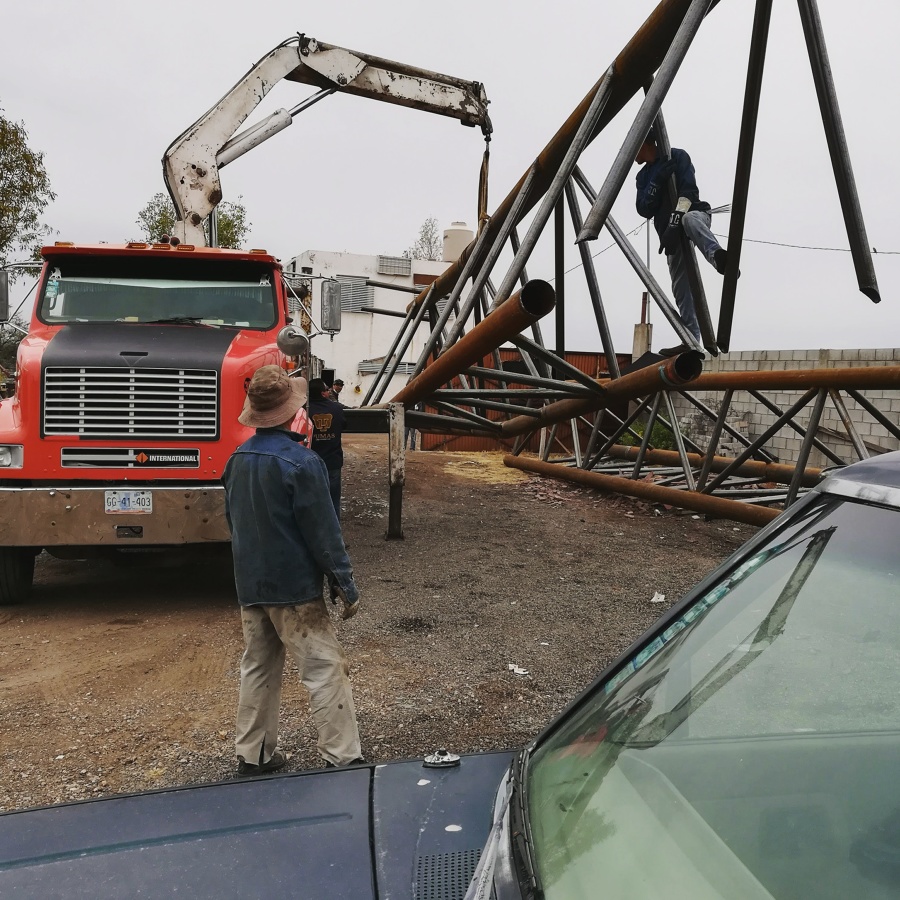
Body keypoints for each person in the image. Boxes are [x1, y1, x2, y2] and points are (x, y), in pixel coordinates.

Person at [222, 365, 363, 776]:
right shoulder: (303, 463)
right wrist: (344, 583)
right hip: (294, 589)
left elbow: (234, 523)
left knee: (258, 666)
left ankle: (254, 755)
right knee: (324, 668)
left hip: (252, 584)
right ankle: (343, 757)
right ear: (293, 411)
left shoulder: (236, 460)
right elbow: (324, 533)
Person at [635, 129, 733, 356]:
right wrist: (657, 182)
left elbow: (689, 191)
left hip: (694, 215)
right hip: (670, 236)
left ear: (644, 143)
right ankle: (691, 340)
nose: (632, 156)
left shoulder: (678, 157)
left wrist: (675, 221)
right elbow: (643, 208)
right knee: (681, 288)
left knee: (690, 220)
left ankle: (719, 258)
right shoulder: (643, 176)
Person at [308, 377, 347, 519]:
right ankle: (333, 531)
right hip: (332, 462)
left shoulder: (304, 410)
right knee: (333, 502)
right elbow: (344, 425)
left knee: (310, 502)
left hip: (310, 464)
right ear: (322, 393)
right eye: (326, 389)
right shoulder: (336, 408)